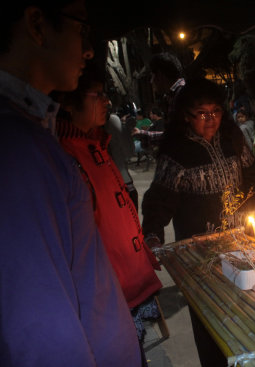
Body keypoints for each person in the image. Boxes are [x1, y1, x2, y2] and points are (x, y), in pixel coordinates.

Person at [0, 1, 142, 366]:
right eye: (81, 29)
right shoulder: (17, 148)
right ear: (36, 23)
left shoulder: (33, 133)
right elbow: (40, 327)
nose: (89, 49)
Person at [141, 78, 255, 366]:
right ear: (187, 115)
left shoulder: (232, 141)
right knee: (210, 322)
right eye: (202, 113)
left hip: (240, 246)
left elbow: (254, 178)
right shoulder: (177, 154)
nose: (211, 120)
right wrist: (153, 234)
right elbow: (159, 200)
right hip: (200, 258)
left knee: (247, 311)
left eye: (216, 112)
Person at [54, 63, 163, 352]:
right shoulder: (64, 157)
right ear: (67, 101)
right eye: (98, 95)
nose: (107, 102)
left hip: (129, 282)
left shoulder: (95, 144)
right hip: (110, 295)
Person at [149, 51, 186, 120]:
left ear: (160, 75)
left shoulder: (182, 96)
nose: (151, 81)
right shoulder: (173, 95)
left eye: (152, 76)